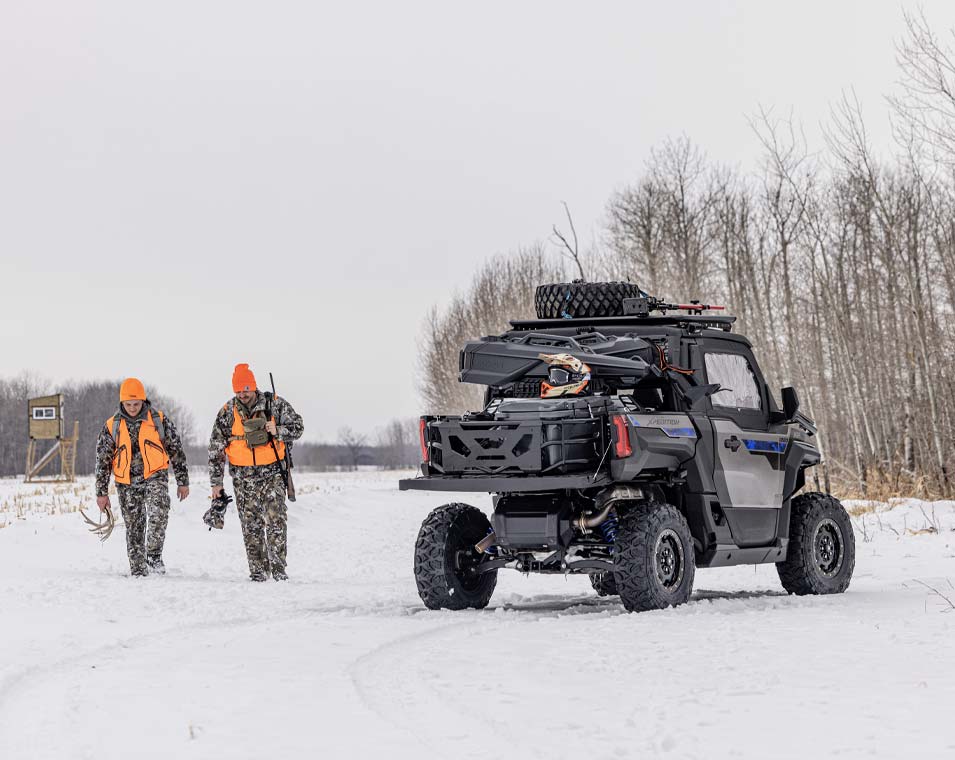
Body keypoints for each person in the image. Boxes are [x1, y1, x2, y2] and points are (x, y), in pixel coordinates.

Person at [208, 363, 303, 581]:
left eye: (246, 389)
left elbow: (298, 427)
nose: (242, 394)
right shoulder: (227, 412)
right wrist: (216, 483)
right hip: (243, 479)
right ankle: (258, 573)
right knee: (251, 526)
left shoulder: (275, 404)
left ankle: (279, 571)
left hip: (272, 474)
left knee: (276, 521)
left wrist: (278, 430)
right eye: (238, 390)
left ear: (253, 386)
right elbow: (215, 448)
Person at [94, 378, 190, 576]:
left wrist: (183, 481)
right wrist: (101, 493)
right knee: (134, 526)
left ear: (143, 401)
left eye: (136, 404)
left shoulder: (158, 420)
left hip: (155, 475)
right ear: (122, 403)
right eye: (128, 404)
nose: (132, 408)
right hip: (126, 482)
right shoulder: (112, 426)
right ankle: (138, 570)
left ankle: (153, 556)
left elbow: (176, 450)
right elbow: (102, 461)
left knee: (159, 511)